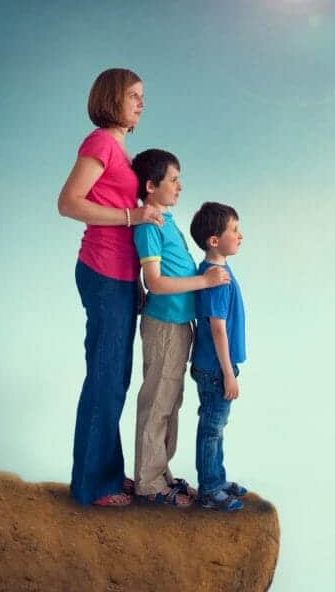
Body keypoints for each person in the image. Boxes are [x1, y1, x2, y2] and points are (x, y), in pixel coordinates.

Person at [58, 68, 164, 506]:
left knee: (114, 376)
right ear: (111, 99)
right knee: (105, 375)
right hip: (101, 271)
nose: (141, 103)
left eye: (143, 96)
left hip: (120, 276)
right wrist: (131, 217)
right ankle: (92, 484)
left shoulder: (119, 147)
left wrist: (137, 279)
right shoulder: (100, 142)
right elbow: (68, 203)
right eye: (133, 96)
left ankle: (105, 471)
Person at [130, 149, 231, 507]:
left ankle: (161, 474)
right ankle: (148, 483)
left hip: (179, 326)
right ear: (150, 185)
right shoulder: (149, 226)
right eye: (173, 179)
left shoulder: (165, 221)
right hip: (165, 327)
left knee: (171, 402)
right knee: (157, 402)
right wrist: (204, 282)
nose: (179, 186)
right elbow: (155, 282)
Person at [188, 202, 249, 512]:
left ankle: (217, 478)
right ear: (214, 240)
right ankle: (209, 489)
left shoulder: (215, 271)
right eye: (234, 230)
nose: (240, 236)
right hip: (216, 368)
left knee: (216, 427)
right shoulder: (217, 277)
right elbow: (217, 329)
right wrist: (228, 373)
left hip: (211, 366)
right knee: (212, 428)